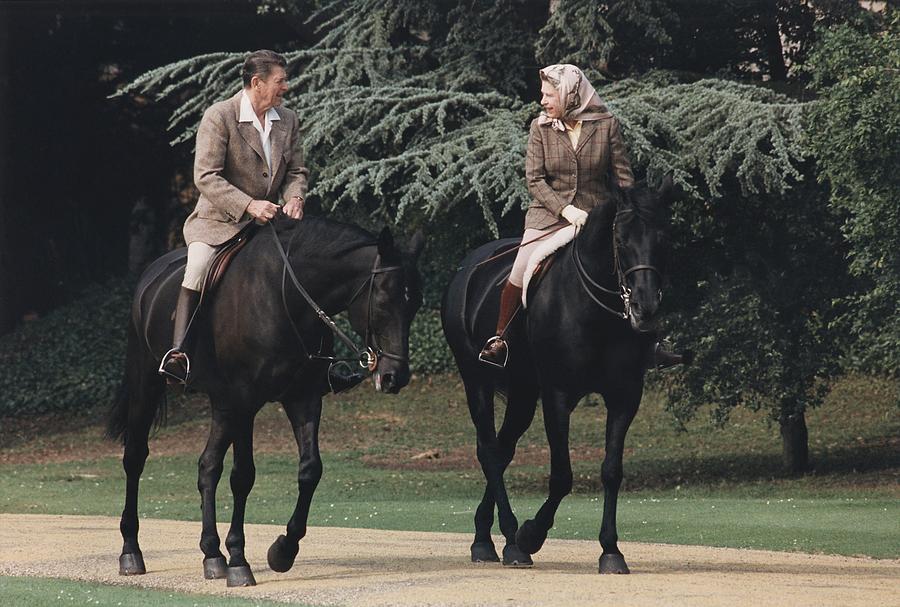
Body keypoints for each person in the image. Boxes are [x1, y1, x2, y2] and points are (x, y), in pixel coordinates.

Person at [478, 64, 682, 370]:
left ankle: (651, 343)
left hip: (598, 217)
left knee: (636, 264)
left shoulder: (606, 125)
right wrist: (565, 209)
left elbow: (623, 178)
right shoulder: (540, 127)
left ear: (570, 95)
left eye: (549, 95)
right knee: (521, 268)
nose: (543, 101)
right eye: (543, 94)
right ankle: (501, 339)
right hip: (548, 216)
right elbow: (534, 180)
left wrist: (634, 212)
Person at [159, 49, 309, 384]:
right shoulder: (220, 116)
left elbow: (296, 171)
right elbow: (206, 176)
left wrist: (295, 196)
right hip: (219, 222)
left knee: (309, 267)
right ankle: (179, 353)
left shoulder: (288, 119)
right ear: (257, 83)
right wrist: (248, 205)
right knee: (197, 267)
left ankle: (317, 361)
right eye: (280, 81)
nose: (286, 87)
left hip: (271, 222)